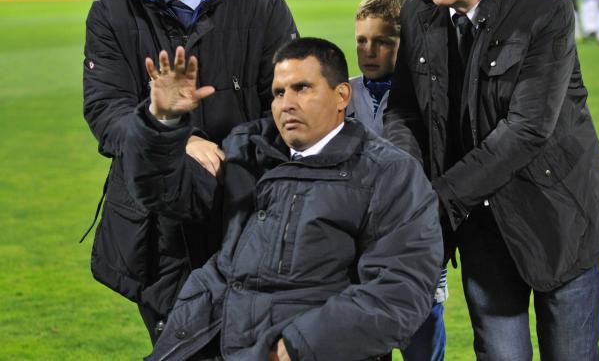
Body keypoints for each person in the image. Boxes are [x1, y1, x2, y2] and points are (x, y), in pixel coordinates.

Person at [120, 37, 444, 360]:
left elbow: (400, 291)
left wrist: (296, 347)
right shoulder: (247, 149)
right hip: (207, 334)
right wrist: (161, 123)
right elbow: (163, 194)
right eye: (278, 92)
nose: (286, 103)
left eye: (302, 88)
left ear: (341, 95)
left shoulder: (390, 173)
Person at [384, 0, 599, 359]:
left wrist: (437, 200)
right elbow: (405, 110)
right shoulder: (417, 12)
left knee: (570, 355)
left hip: (559, 218)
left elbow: (526, 129)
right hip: (480, 222)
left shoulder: (545, 12)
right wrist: (409, 183)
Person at [82, 0, 297, 344]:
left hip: (244, 214)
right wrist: (172, 136)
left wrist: (225, 156)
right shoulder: (111, 13)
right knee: (178, 347)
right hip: (155, 227)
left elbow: (288, 113)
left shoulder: (262, 6)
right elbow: (106, 114)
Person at [347, 0, 447, 361]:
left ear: (405, 45)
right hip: (359, 249)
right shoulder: (342, 94)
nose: (368, 50)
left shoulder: (427, 96)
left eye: (382, 42)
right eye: (361, 40)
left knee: (421, 344)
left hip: (412, 250)